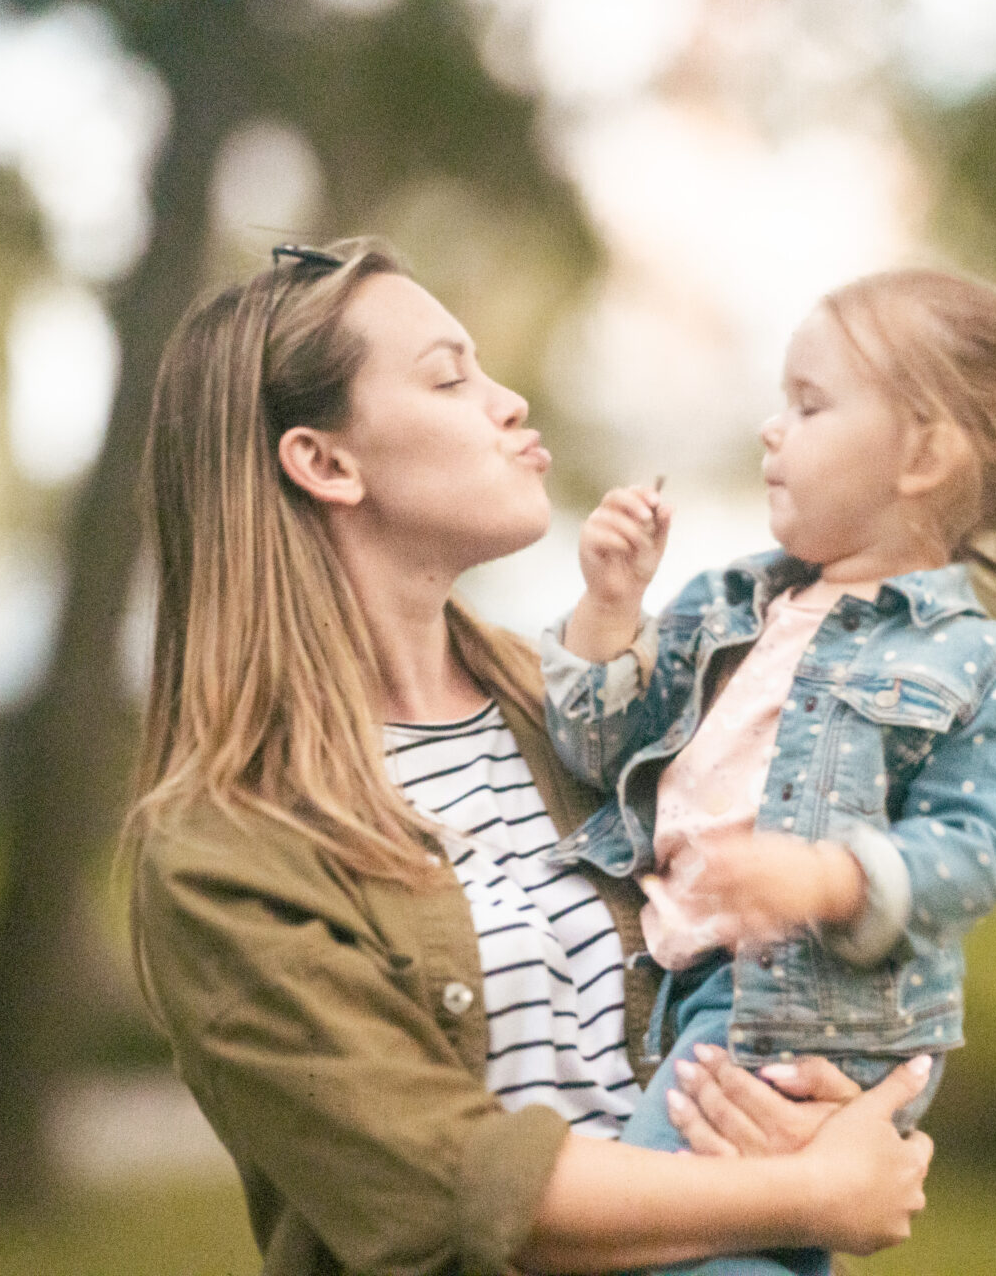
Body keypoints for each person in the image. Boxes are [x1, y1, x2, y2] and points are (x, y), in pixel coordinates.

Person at [122, 238, 936, 1276]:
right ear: (325, 463)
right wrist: (808, 1194)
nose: (507, 402)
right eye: (448, 379)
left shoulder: (601, 712)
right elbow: (449, 1188)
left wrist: (827, 1103)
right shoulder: (223, 847)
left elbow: (782, 940)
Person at [541, 266, 996, 1274]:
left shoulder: (977, 662)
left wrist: (833, 877)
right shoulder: (728, 604)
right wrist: (610, 613)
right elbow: (598, 755)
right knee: (732, 1242)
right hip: (683, 986)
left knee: (647, 1235)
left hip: (809, 1008)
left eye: (809, 404)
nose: (773, 428)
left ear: (922, 454)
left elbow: (978, 850)